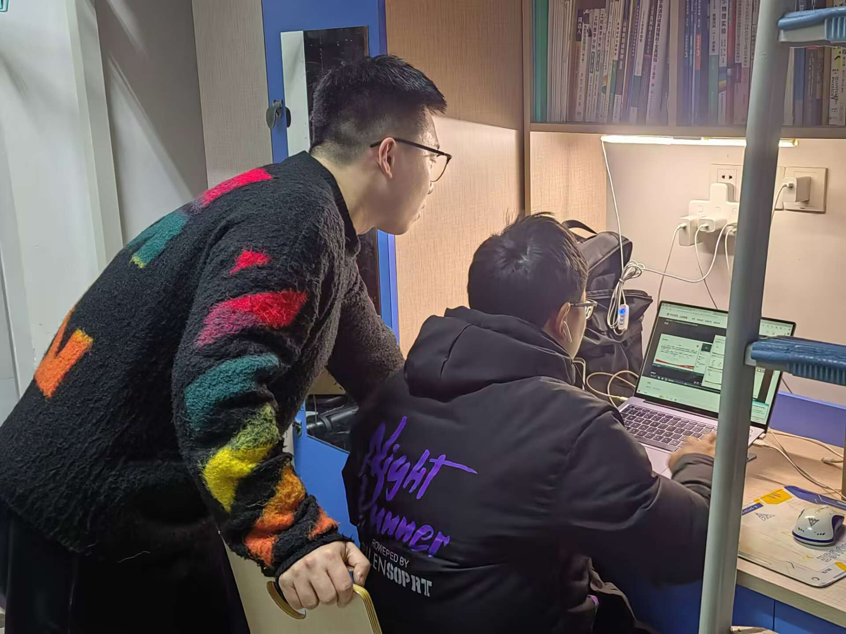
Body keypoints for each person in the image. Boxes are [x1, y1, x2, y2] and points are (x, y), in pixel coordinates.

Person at [0, 55, 448, 633]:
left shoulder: (308, 209)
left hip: (143, 494)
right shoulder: (297, 221)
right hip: (83, 514)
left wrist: (466, 430)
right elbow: (217, 390)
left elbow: (375, 363)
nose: (435, 180)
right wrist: (293, 533)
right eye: (434, 158)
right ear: (389, 155)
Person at [343, 214, 716, 634]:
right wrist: (696, 463)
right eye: (585, 310)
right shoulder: (573, 426)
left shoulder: (392, 390)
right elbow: (692, 546)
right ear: (564, 318)